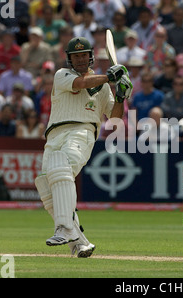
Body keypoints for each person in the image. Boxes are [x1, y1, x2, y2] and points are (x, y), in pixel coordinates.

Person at [34, 36, 131, 258]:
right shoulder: (62, 75)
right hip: (54, 135)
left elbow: (114, 120)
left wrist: (121, 97)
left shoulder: (104, 86)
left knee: (61, 167)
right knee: (46, 186)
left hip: (82, 131)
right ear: (69, 59)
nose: (79, 59)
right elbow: (82, 83)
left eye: (83, 55)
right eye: (75, 56)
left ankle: (64, 229)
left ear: (90, 57)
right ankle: (80, 243)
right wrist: (109, 76)